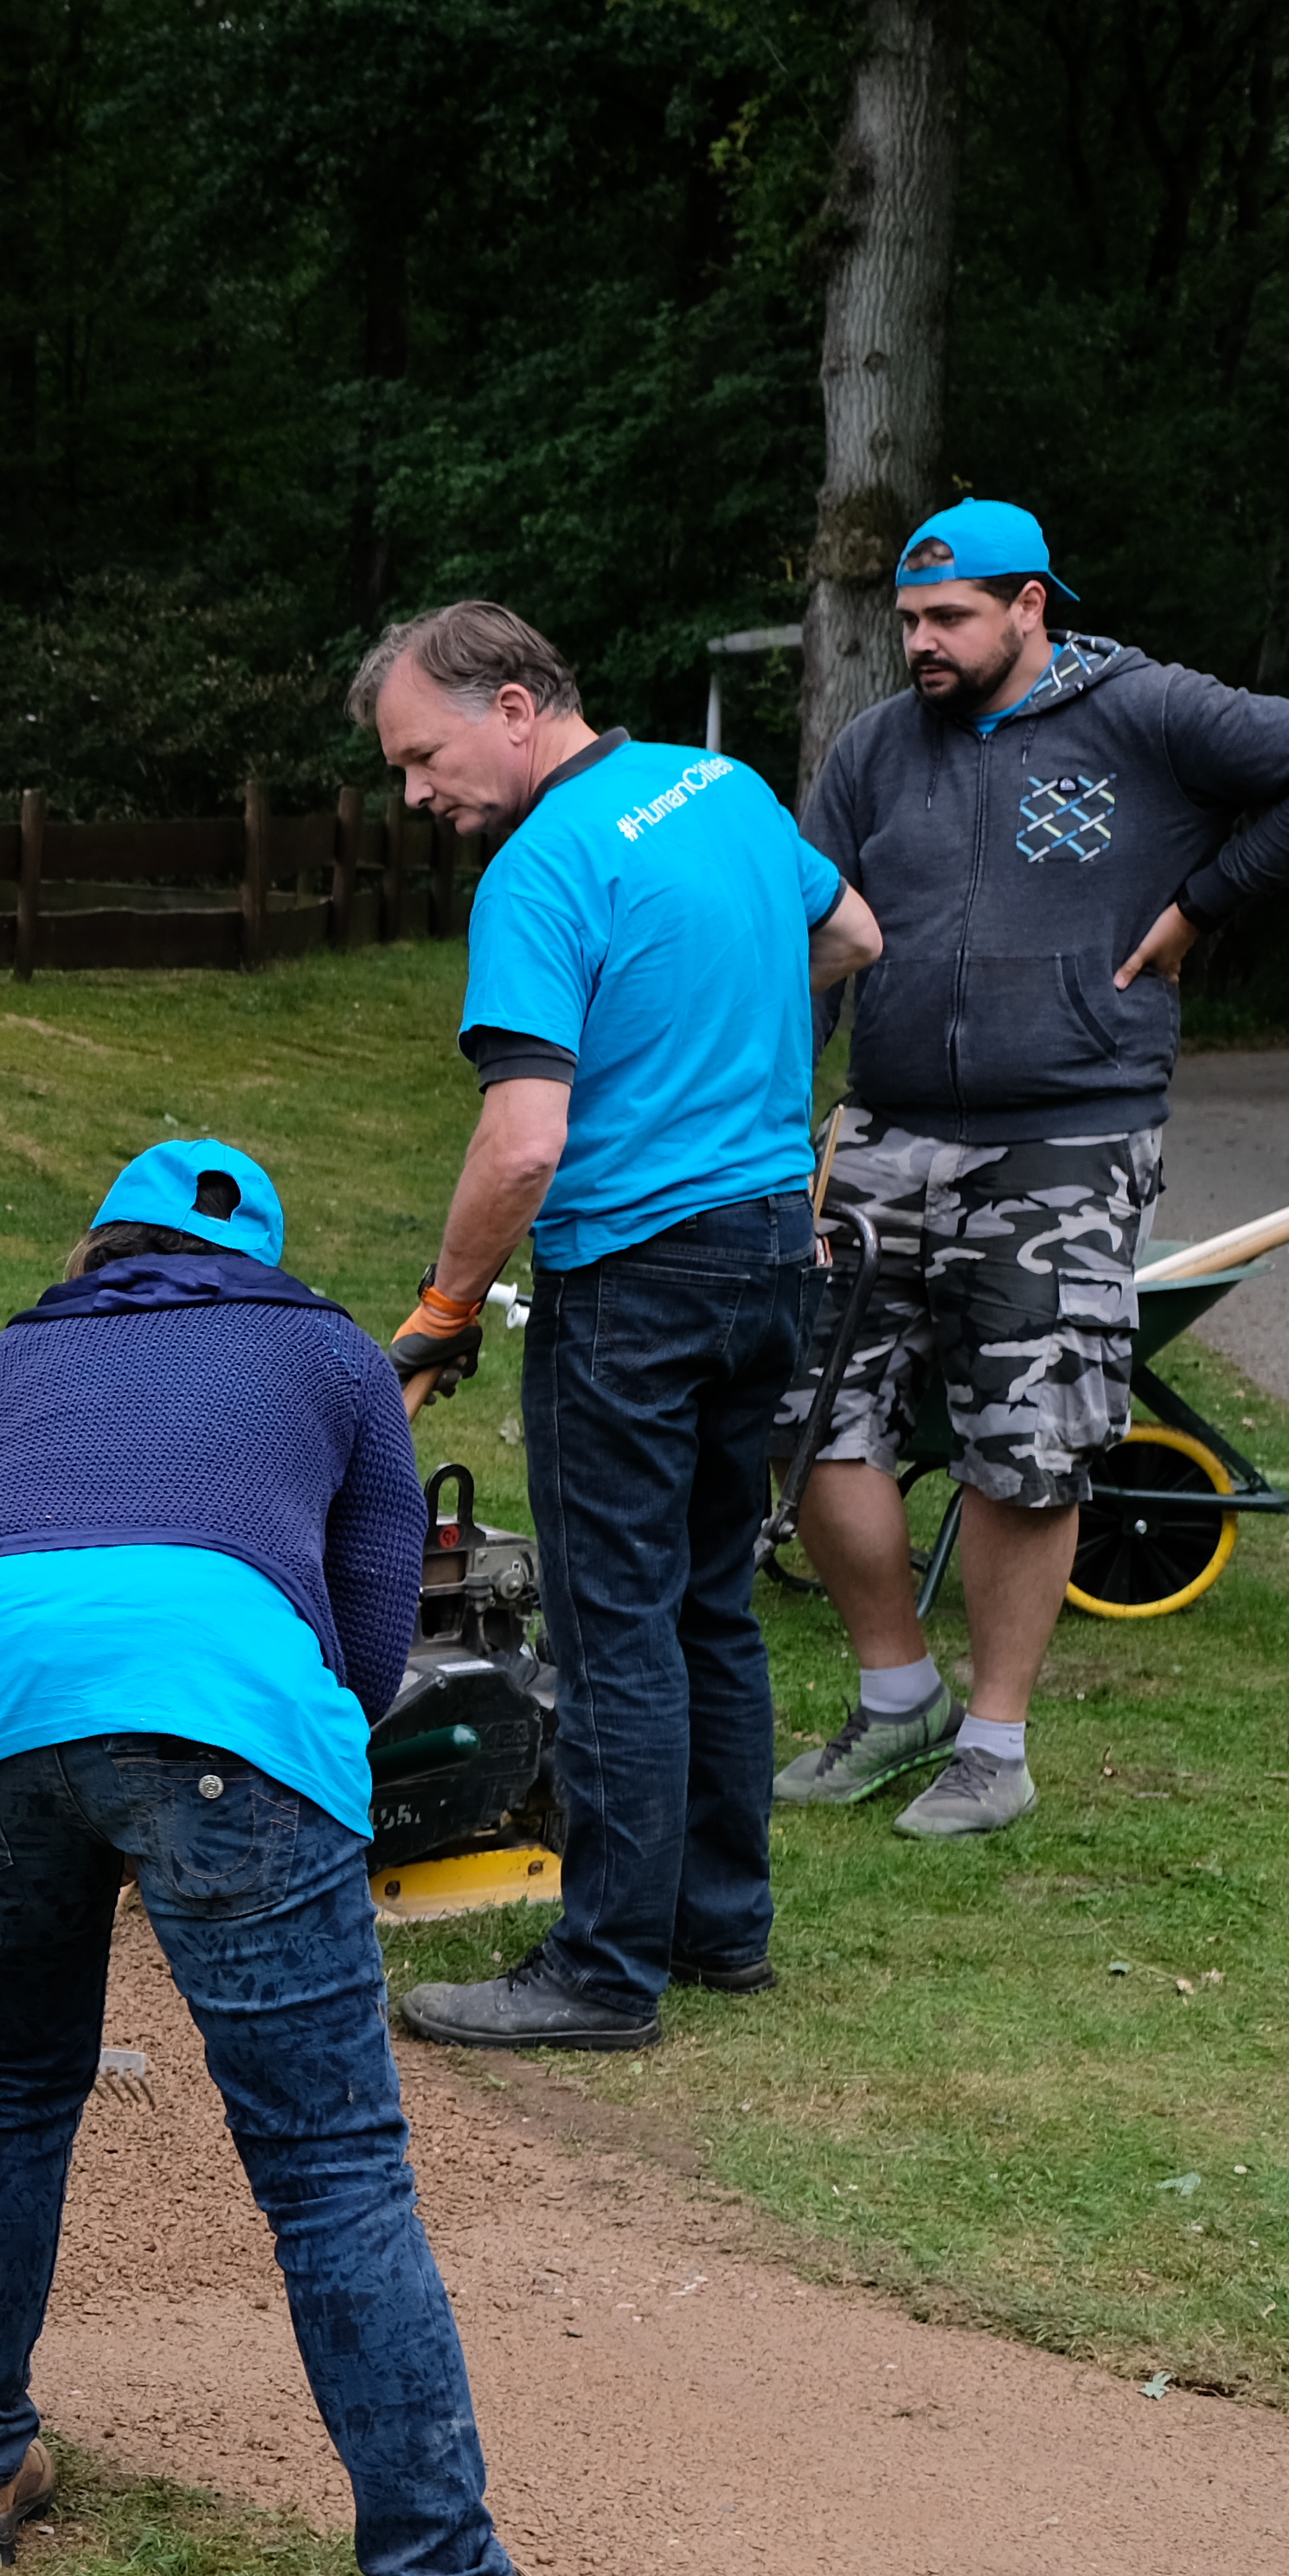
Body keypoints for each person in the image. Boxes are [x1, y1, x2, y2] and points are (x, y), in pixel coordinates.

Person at [0, 1139, 612, 2576]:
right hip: (218, 1722)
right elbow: (376, 1610)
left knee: (9, 2080)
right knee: (330, 2170)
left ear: (97, 1242)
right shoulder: (328, 1349)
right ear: (264, 1256)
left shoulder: (14, 1356)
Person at [776, 502, 1289, 1839]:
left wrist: (1201, 902)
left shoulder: (1151, 714)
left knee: (1030, 1443)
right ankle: (899, 1696)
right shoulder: (878, 750)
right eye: (907, 620)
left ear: (1030, 608)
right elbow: (811, 931)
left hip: (1067, 1134)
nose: (922, 645)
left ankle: (995, 1749)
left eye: (949, 618)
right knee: (811, 1410)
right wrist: (787, 1123)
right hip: (886, 1131)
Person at [359, 601, 882, 2053]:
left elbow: (523, 1145)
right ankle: (721, 1931)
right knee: (710, 1597)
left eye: (422, 755)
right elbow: (850, 931)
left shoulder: (541, 867)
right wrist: (723, 1041)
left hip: (640, 1280)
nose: (416, 792)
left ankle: (602, 1973)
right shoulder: (726, 790)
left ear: (516, 708)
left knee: (616, 1629)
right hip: (775, 1251)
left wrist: (446, 1309)